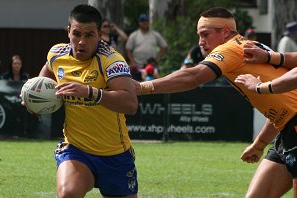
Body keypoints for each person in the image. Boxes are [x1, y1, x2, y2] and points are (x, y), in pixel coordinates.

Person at [133, 7, 297, 198]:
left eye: (205, 34)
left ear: (225, 32)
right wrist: (259, 144)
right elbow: (285, 106)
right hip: (288, 130)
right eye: (199, 35)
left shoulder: (230, 49)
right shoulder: (247, 45)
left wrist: (144, 87)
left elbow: (194, 76)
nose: (201, 42)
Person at [21, 5, 138, 197]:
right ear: (68, 31)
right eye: (76, 34)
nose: (82, 42)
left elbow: (130, 104)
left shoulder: (112, 61)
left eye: (89, 35)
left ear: (100, 34)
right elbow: (45, 77)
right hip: (76, 150)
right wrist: (34, 98)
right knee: (68, 193)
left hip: (115, 154)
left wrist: (91, 92)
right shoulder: (57, 55)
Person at [125, 13, 168, 81]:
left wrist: (158, 59)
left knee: (154, 86)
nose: (144, 23)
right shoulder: (134, 35)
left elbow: (164, 46)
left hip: (152, 65)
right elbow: (128, 50)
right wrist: (132, 62)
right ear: (139, 22)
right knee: (138, 86)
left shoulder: (155, 34)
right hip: (138, 66)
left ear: (148, 22)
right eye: (142, 21)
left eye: (146, 21)